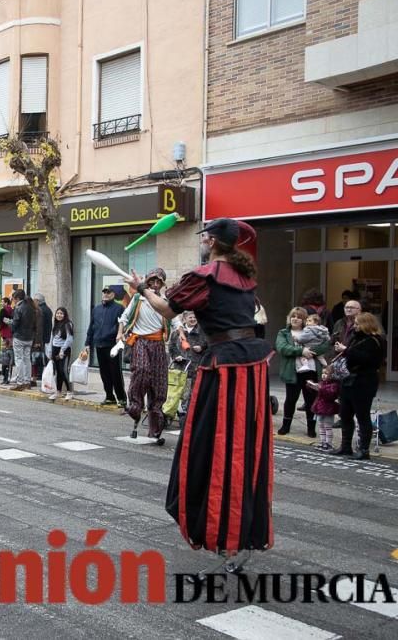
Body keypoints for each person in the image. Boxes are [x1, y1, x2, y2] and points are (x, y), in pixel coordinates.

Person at [131, 217, 274, 564]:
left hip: (224, 367)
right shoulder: (245, 276)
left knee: (214, 447)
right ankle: (240, 530)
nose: (203, 241)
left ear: (211, 241)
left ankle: (223, 531)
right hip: (253, 367)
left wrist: (141, 289)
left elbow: (166, 309)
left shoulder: (205, 276)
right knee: (244, 448)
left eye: (205, 237)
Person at [118, 268, 171, 441]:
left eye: (159, 282)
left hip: (158, 344)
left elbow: (175, 318)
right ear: (147, 282)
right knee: (141, 370)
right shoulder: (137, 298)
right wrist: (120, 333)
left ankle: (155, 425)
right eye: (152, 281)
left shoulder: (164, 301)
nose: (155, 284)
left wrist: (181, 332)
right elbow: (124, 318)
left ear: (162, 284)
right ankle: (134, 405)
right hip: (140, 341)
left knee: (158, 383)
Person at [333, 312, 386, 460]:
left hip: (364, 382)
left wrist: (347, 350)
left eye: (357, 324)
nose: (355, 326)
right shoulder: (355, 338)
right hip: (349, 380)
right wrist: (344, 350)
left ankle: (364, 449)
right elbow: (351, 355)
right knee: (345, 414)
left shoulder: (375, 341)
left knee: (362, 416)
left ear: (366, 325)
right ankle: (345, 446)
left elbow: (368, 360)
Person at [275, 307, 330, 437]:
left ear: (304, 320)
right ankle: (286, 425)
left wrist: (311, 351)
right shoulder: (283, 333)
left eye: (299, 317)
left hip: (310, 371)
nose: (295, 319)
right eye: (293, 316)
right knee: (290, 399)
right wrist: (300, 351)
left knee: (310, 400)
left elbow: (325, 345)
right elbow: (282, 348)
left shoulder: (314, 331)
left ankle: (311, 428)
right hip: (292, 371)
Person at [84, 287, 127, 406]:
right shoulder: (96, 309)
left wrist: (117, 335)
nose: (106, 294)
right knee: (104, 373)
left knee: (115, 372)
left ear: (114, 294)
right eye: (104, 292)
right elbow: (91, 326)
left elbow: (123, 325)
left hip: (113, 345)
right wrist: (88, 343)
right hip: (99, 344)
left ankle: (122, 398)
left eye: (108, 292)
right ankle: (109, 396)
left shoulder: (119, 308)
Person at [167, 310, 206, 421]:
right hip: (179, 368)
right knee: (176, 391)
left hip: (195, 367)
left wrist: (202, 347)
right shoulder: (177, 332)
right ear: (184, 319)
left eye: (194, 317)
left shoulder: (202, 331)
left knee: (190, 393)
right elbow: (171, 347)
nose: (193, 319)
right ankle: (171, 412)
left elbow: (208, 344)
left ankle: (186, 414)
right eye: (190, 317)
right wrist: (176, 356)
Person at [9, 289, 39, 391]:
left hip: (19, 336)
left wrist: (11, 327)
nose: (13, 300)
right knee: (27, 359)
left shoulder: (19, 308)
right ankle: (27, 381)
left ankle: (20, 382)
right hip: (29, 337)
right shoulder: (31, 307)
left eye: (13, 299)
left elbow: (15, 323)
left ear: (17, 298)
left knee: (19, 359)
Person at [306, 365, 340, 452]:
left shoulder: (334, 385)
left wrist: (320, 388)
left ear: (332, 375)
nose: (323, 375)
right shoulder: (322, 383)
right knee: (321, 426)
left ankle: (328, 444)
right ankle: (323, 442)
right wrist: (311, 386)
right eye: (322, 373)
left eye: (326, 373)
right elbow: (320, 391)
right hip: (320, 407)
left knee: (328, 426)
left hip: (328, 408)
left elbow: (330, 394)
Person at [48, 307, 75, 401]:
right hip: (55, 349)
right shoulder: (55, 324)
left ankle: (70, 391)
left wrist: (62, 350)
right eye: (58, 313)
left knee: (63, 370)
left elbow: (70, 339)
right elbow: (52, 338)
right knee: (58, 372)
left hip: (64, 350)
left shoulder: (68, 324)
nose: (59, 315)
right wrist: (50, 351)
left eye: (61, 313)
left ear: (65, 315)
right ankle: (58, 391)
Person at [32, 293, 52, 381]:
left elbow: (39, 326)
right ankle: (43, 372)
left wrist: (37, 340)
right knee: (43, 355)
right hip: (46, 335)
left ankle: (40, 374)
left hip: (41, 336)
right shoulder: (48, 309)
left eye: (34, 300)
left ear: (38, 301)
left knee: (39, 356)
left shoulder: (40, 310)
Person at [0, 297, 14, 385]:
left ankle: (5, 377)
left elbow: (1, 322)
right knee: (9, 356)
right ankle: (8, 376)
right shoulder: (12, 310)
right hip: (11, 335)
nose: (1, 303)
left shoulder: (3, 311)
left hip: (5, 334)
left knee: (4, 356)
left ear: (7, 303)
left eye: (3, 302)